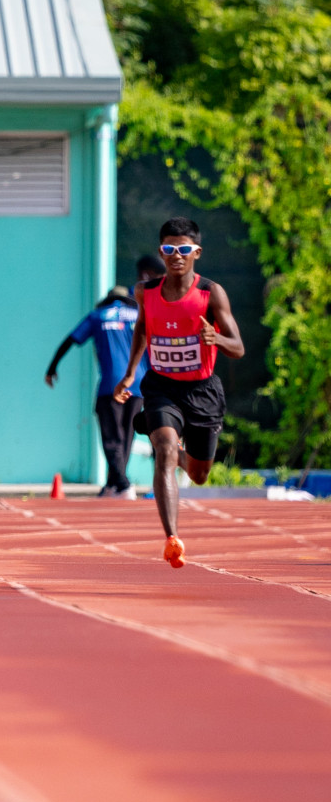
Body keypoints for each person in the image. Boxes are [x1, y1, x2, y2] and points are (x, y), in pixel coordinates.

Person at [115, 219, 244, 567]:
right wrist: (129, 375)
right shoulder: (146, 292)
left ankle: (182, 456)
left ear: (196, 253)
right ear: (161, 252)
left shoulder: (210, 293)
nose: (176, 255)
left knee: (199, 474)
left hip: (201, 390)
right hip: (162, 387)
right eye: (170, 249)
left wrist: (215, 338)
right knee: (165, 449)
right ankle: (171, 538)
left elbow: (238, 347)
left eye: (184, 250)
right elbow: (142, 328)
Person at [46, 255, 165, 498]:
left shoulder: (98, 316)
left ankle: (122, 484)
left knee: (112, 438)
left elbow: (70, 340)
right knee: (126, 437)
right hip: (140, 385)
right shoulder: (139, 315)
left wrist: (52, 368)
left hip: (111, 385)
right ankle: (113, 483)